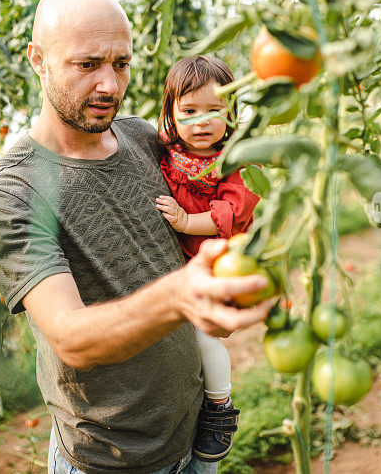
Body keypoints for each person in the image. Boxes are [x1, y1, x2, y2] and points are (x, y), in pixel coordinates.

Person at [0, 0, 275, 474]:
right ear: (38, 59)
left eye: (121, 63)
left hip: (195, 432)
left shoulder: (140, 137)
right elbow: (70, 336)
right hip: (111, 461)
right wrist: (185, 294)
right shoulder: (14, 190)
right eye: (88, 64)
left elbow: (215, 174)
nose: (111, 86)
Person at [153, 56, 260, 462]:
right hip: (181, 263)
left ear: (231, 112)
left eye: (215, 110)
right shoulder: (171, 147)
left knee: (203, 336)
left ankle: (219, 407)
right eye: (189, 111)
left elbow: (227, 216)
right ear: (172, 114)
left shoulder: (235, 162)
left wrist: (183, 221)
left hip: (216, 262)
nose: (202, 122)